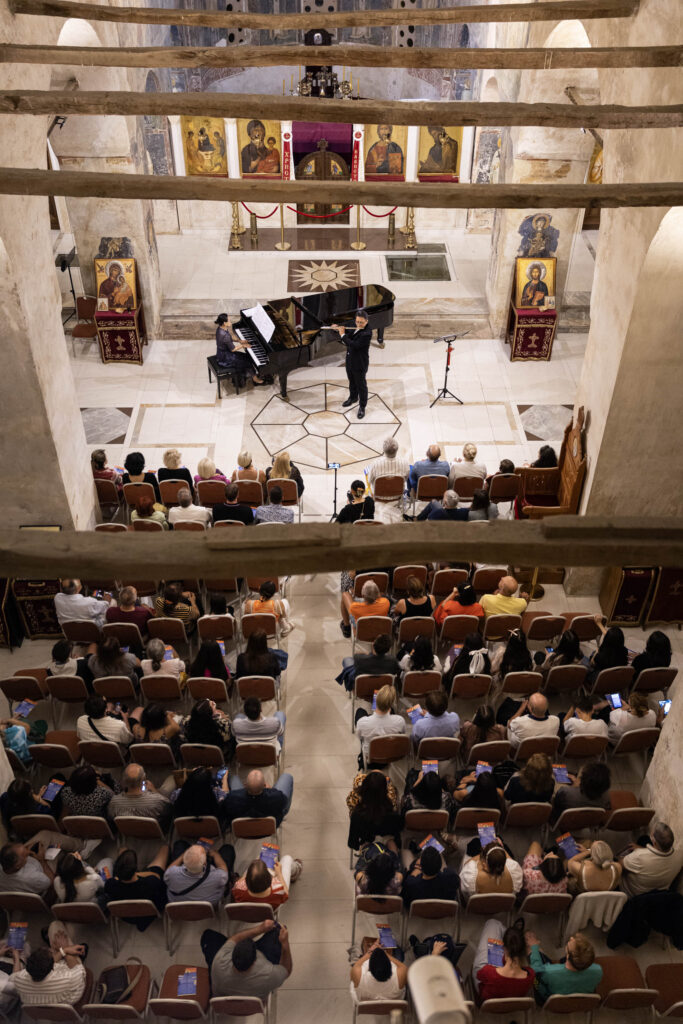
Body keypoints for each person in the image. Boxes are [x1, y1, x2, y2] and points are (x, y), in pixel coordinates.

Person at [201, 920, 292, 999]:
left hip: (225, 996)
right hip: (255, 994)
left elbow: (234, 939)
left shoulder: (219, 961)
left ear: (232, 955)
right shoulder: (269, 975)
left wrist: (261, 928)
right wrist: (285, 944)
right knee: (278, 932)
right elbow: (287, 970)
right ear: (255, 960)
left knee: (208, 935)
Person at [10, 922, 86, 1004]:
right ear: (53, 967)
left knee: (54, 937)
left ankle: (52, 942)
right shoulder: (68, 979)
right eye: (51, 952)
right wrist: (64, 947)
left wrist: (16, 956)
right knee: (55, 925)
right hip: (70, 993)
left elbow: (14, 976)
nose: (50, 950)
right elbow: (80, 971)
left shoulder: (20, 980)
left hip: (51, 1001)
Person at [101, 846, 169, 929]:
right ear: (135, 869)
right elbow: (156, 876)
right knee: (165, 848)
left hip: (125, 916)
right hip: (148, 915)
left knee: (122, 849)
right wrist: (139, 874)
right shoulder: (151, 882)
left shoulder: (110, 884)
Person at [526, 931, 602, 1002]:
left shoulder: (549, 972)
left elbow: (536, 970)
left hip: (550, 998)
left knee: (533, 954)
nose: (571, 938)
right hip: (578, 997)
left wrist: (534, 947)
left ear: (568, 956)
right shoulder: (598, 971)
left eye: (568, 945)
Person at [472, 920, 534, 1002]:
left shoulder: (488, 971)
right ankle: (513, 935)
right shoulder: (530, 974)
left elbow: (479, 975)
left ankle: (510, 935)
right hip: (511, 1000)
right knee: (495, 932)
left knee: (493, 923)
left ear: (504, 949)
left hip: (486, 1000)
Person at [619, 822, 683, 896]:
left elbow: (620, 864)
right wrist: (642, 849)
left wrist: (639, 851)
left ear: (654, 842)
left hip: (633, 895)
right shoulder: (680, 856)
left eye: (651, 835)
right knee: (644, 839)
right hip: (657, 894)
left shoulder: (639, 856)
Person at [332, 308, 372, 419]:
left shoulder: (367, 333)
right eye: (357, 321)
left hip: (360, 363)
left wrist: (342, 335)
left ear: (366, 321)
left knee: (361, 385)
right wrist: (337, 327)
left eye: (361, 322)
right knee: (352, 381)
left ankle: (362, 406)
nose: (358, 324)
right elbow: (345, 327)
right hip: (350, 360)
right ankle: (353, 398)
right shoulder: (353, 323)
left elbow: (354, 345)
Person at [347, 771, 402, 851]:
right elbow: (399, 842)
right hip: (389, 852)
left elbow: (353, 844)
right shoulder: (394, 817)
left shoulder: (357, 816)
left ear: (364, 790)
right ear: (385, 791)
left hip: (368, 851)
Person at [165, 842, 232, 906]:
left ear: (183, 861)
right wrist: (215, 855)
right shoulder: (218, 876)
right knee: (228, 849)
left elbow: (169, 869)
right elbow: (223, 868)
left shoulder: (172, 873)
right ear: (205, 863)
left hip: (179, 906)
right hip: (209, 906)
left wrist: (182, 856)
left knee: (180, 844)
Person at [355, 684, 406, 767]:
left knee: (360, 711)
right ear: (390, 704)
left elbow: (360, 737)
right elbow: (402, 734)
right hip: (391, 755)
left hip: (370, 756)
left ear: (376, 700)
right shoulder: (400, 720)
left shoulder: (362, 722)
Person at [108, 764, 172, 829]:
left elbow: (111, 817)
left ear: (124, 780)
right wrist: (154, 790)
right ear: (143, 779)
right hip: (151, 832)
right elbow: (170, 805)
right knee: (171, 779)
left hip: (128, 832)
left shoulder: (114, 802)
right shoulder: (157, 801)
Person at [223, 769, 294, 828]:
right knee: (287, 776)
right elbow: (284, 802)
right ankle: (284, 813)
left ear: (245, 785)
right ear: (264, 785)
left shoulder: (232, 798)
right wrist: (270, 789)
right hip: (269, 828)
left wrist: (224, 779)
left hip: (242, 829)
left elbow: (224, 800)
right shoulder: (277, 797)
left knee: (234, 778)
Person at [214, 314, 267, 386]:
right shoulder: (224, 335)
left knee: (247, 356)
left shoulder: (220, 329)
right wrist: (243, 345)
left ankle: (250, 374)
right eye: (229, 320)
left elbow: (229, 338)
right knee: (247, 362)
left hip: (222, 354)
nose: (230, 321)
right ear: (224, 323)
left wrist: (239, 341)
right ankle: (255, 379)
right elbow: (233, 349)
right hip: (226, 358)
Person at [232, 855, 301, 907]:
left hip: (250, 913)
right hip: (271, 911)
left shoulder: (238, 890)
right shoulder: (278, 891)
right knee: (287, 858)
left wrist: (247, 873)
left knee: (255, 863)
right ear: (270, 879)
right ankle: (296, 870)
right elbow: (286, 893)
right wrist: (279, 873)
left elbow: (238, 883)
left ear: (246, 881)